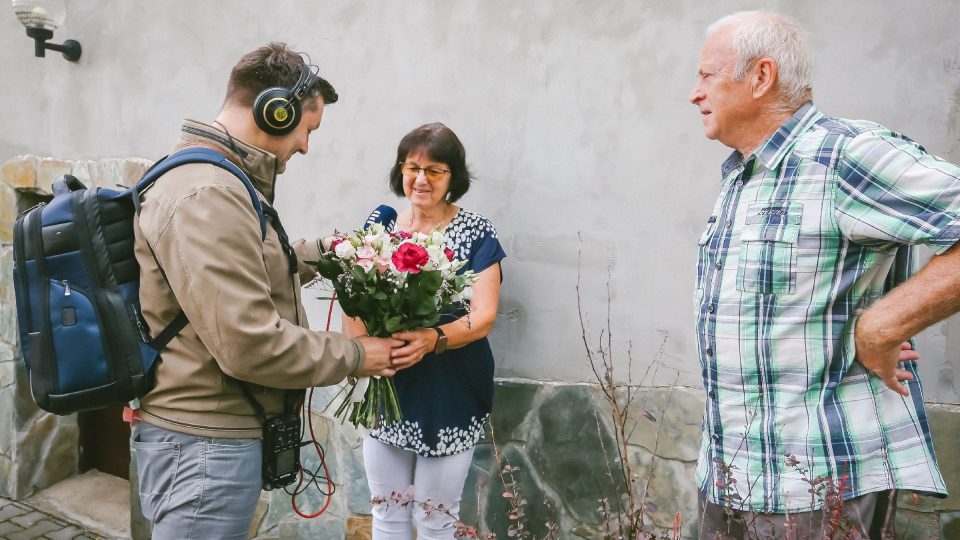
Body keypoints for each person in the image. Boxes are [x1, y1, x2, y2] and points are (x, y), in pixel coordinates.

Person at [689, 11, 960, 539]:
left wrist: (883, 323)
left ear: (760, 77)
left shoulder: (844, 155)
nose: (694, 93)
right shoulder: (743, 178)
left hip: (817, 483)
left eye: (707, 76)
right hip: (728, 477)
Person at [131, 43, 399, 539]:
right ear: (276, 111)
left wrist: (335, 251)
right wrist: (359, 354)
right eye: (307, 129)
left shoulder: (217, 181)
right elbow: (248, 342)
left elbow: (253, 269)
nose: (305, 147)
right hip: (203, 447)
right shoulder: (208, 192)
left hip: (207, 442)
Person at [342, 123, 506, 539]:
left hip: (450, 390)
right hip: (392, 388)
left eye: (435, 170)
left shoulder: (475, 232)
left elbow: (484, 315)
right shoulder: (380, 227)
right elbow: (354, 296)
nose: (420, 179)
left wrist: (434, 339)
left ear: (454, 178)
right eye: (412, 167)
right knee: (386, 513)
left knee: (436, 516)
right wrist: (359, 350)